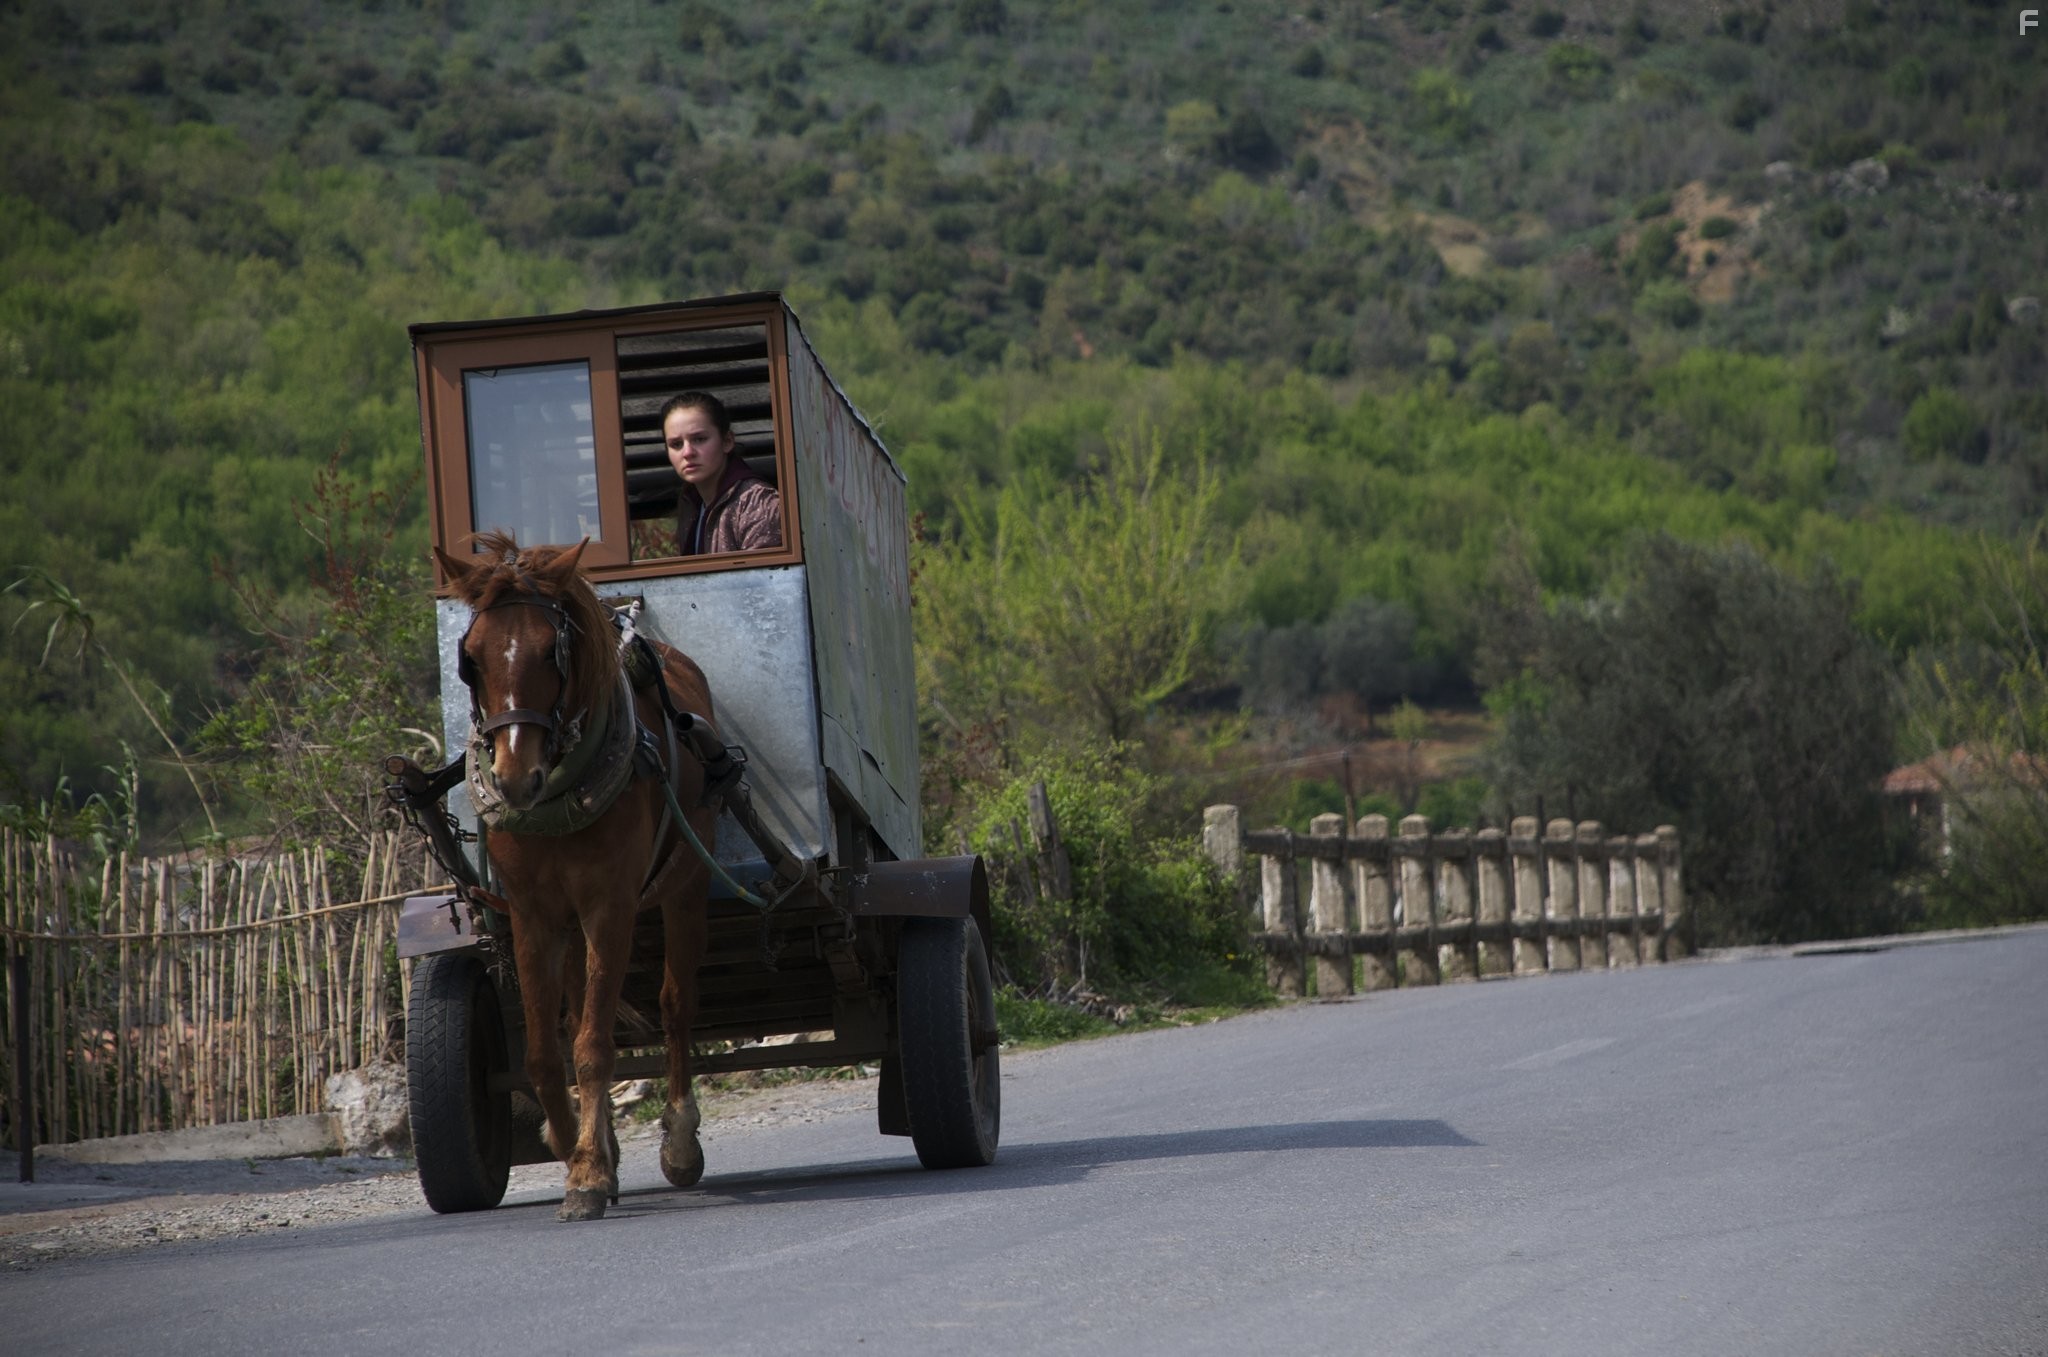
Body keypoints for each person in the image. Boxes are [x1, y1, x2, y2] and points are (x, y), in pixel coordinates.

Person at [663, 391, 782, 555]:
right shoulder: (690, 504)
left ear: (727, 441)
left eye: (699, 439)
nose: (687, 452)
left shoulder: (757, 502)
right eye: (676, 444)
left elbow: (764, 579)